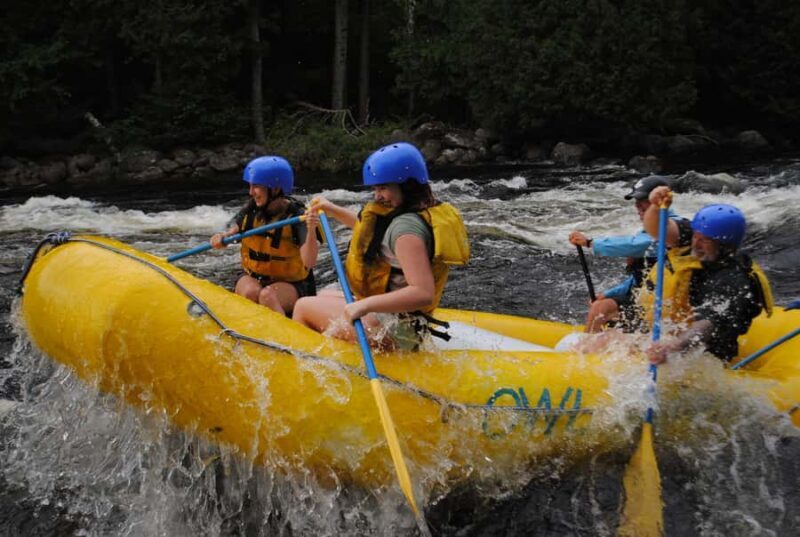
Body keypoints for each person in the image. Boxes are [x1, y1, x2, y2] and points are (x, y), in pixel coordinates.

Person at [292, 142, 470, 351]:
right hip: (404, 322)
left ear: (407, 185)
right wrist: (332, 210)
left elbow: (423, 293)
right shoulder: (414, 211)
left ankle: (307, 363)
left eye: (383, 187)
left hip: (397, 332)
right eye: (376, 188)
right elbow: (371, 232)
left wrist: (365, 305)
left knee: (303, 306)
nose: (377, 196)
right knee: (323, 296)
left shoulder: (406, 231)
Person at [640, 185, 774, 364]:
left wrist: (673, 347)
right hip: (676, 330)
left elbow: (707, 324)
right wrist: (655, 207)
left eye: (705, 241)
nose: (696, 244)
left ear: (725, 246)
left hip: (707, 355)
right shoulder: (700, 234)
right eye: (696, 236)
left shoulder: (732, 279)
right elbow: (659, 230)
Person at [568, 176, 692, 332]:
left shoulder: (673, 228)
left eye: (643, 200)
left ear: (659, 201)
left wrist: (591, 243)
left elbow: (638, 244)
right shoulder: (648, 229)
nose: (637, 205)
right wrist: (608, 294)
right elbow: (641, 279)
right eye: (636, 201)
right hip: (648, 300)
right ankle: (593, 345)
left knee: (601, 309)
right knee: (601, 306)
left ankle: (588, 348)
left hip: (668, 308)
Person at [210, 156, 320, 316]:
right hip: (254, 277)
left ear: (275, 189)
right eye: (250, 186)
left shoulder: (299, 217)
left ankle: (282, 335)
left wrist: (311, 230)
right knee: (250, 293)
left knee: (267, 296)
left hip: (292, 284)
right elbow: (231, 232)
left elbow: (309, 262)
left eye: (256, 186)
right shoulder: (250, 210)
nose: (250, 192)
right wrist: (220, 238)